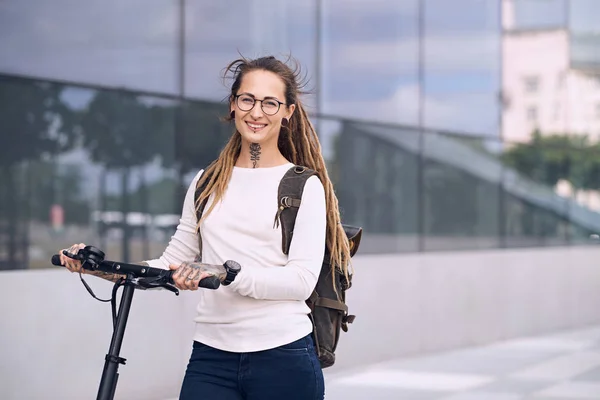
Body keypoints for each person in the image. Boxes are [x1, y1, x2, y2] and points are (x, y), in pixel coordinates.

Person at [58, 55, 352, 400]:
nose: (257, 113)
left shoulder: (304, 186)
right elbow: (171, 264)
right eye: (248, 99)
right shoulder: (206, 182)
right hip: (211, 358)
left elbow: (300, 280)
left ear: (288, 111)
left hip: (284, 356)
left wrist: (226, 273)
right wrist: (99, 268)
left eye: (270, 103)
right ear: (233, 104)